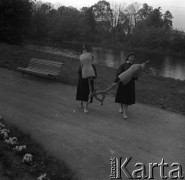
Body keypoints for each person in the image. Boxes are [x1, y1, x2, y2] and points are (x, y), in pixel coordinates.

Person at [114, 52, 138, 119]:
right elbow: (118, 73)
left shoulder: (135, 66)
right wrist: (116, 81)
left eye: (133, 57)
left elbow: (136, 77)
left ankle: (125, 113)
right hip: (123, 83)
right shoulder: (123, 64)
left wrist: (134, 75)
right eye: (131, 57)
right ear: (128, 57)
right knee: (122, 96)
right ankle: (121, 107)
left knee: (127, 99)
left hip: (130, 84)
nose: (132, 58)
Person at [76, 46, 97, 113]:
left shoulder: (92, 66)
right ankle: (81, 103)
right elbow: (79, 72)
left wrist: (91, 77)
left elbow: (95, 75)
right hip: (82, 81)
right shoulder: (81, 65)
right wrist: (82, 68)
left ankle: (86, 107)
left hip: (89, 83)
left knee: (88, 94)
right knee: (81, 92)